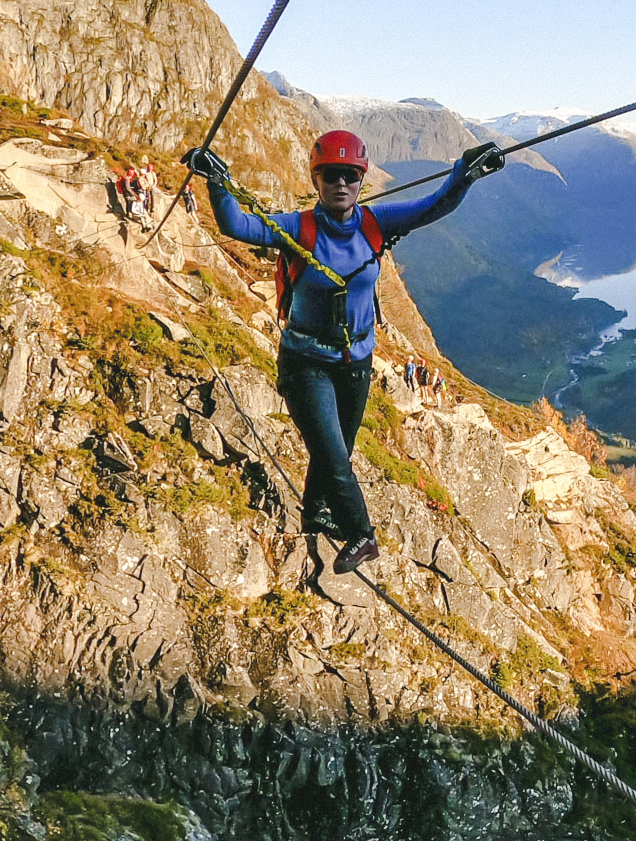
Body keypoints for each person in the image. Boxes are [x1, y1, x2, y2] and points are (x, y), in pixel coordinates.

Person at [182, 131, 504, 572]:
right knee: (333, 454)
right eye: (331, 175)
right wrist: (217, 182)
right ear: (317, 179)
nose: (341, 184)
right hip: (305, 362)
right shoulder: (297, 228)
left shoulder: (375, 223)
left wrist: (464, 174)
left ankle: (316, 509)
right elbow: (236, 226)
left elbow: (434, 206)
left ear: (360, 179)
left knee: (338, 451)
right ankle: (361, 534)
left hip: (356, 364)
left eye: (349, 175)